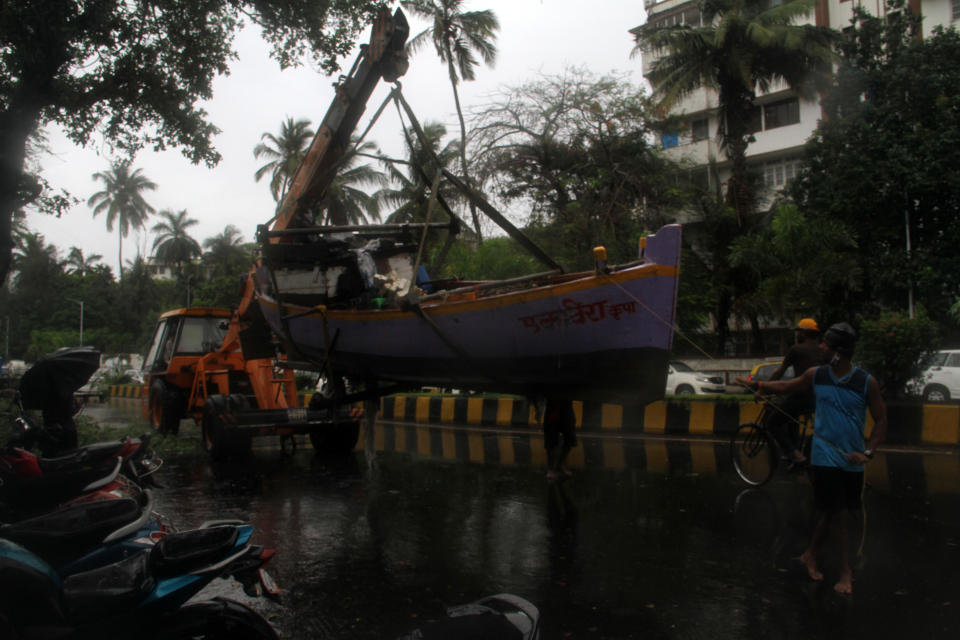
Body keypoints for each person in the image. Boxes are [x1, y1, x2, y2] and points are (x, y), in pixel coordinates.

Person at [735, 322, 887, 594]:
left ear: (839, 352)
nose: (821, 348)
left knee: (835, 510)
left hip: (852, 460)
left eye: (827, 345)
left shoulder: (867, 382)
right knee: (838, 514)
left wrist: (867, 452)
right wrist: (756, 383)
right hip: (823, 456)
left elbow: (882, 419)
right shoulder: (817, 375)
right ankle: (845, 572)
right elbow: (785, 385)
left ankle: (810, 554)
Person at [762, 318, 827, 470]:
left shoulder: (796, 349)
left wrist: (765, 388)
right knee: (791, 416)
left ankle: (796, 456)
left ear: (804, 333)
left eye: (799, 332)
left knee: (772, 423)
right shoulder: (822, 350)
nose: (797, 335)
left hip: (802, 395)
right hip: (819, 397)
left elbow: (780, 371)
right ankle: (797, 456)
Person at [542, 397, 577, 481]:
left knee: (570, 438)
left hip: (566, 407)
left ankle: (560, 465)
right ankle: (551, 468)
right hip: (552, 407)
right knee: (551, 440)